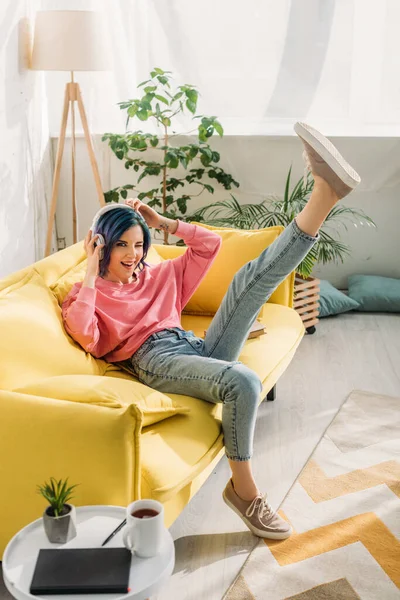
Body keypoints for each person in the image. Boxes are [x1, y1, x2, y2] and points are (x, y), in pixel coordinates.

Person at [62, 122, 361, 540]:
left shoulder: (157, 275)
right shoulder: (86, 293)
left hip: (190, 345)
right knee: (242, 380)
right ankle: (245, 491)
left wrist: (163, 222)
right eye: (120, 246)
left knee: (249, 279)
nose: (132, 255)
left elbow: (210, 246)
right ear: (100, 246)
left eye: (137, 244)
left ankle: (322, 198)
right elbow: (87, 336)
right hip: (153, 360)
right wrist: (92, 274)